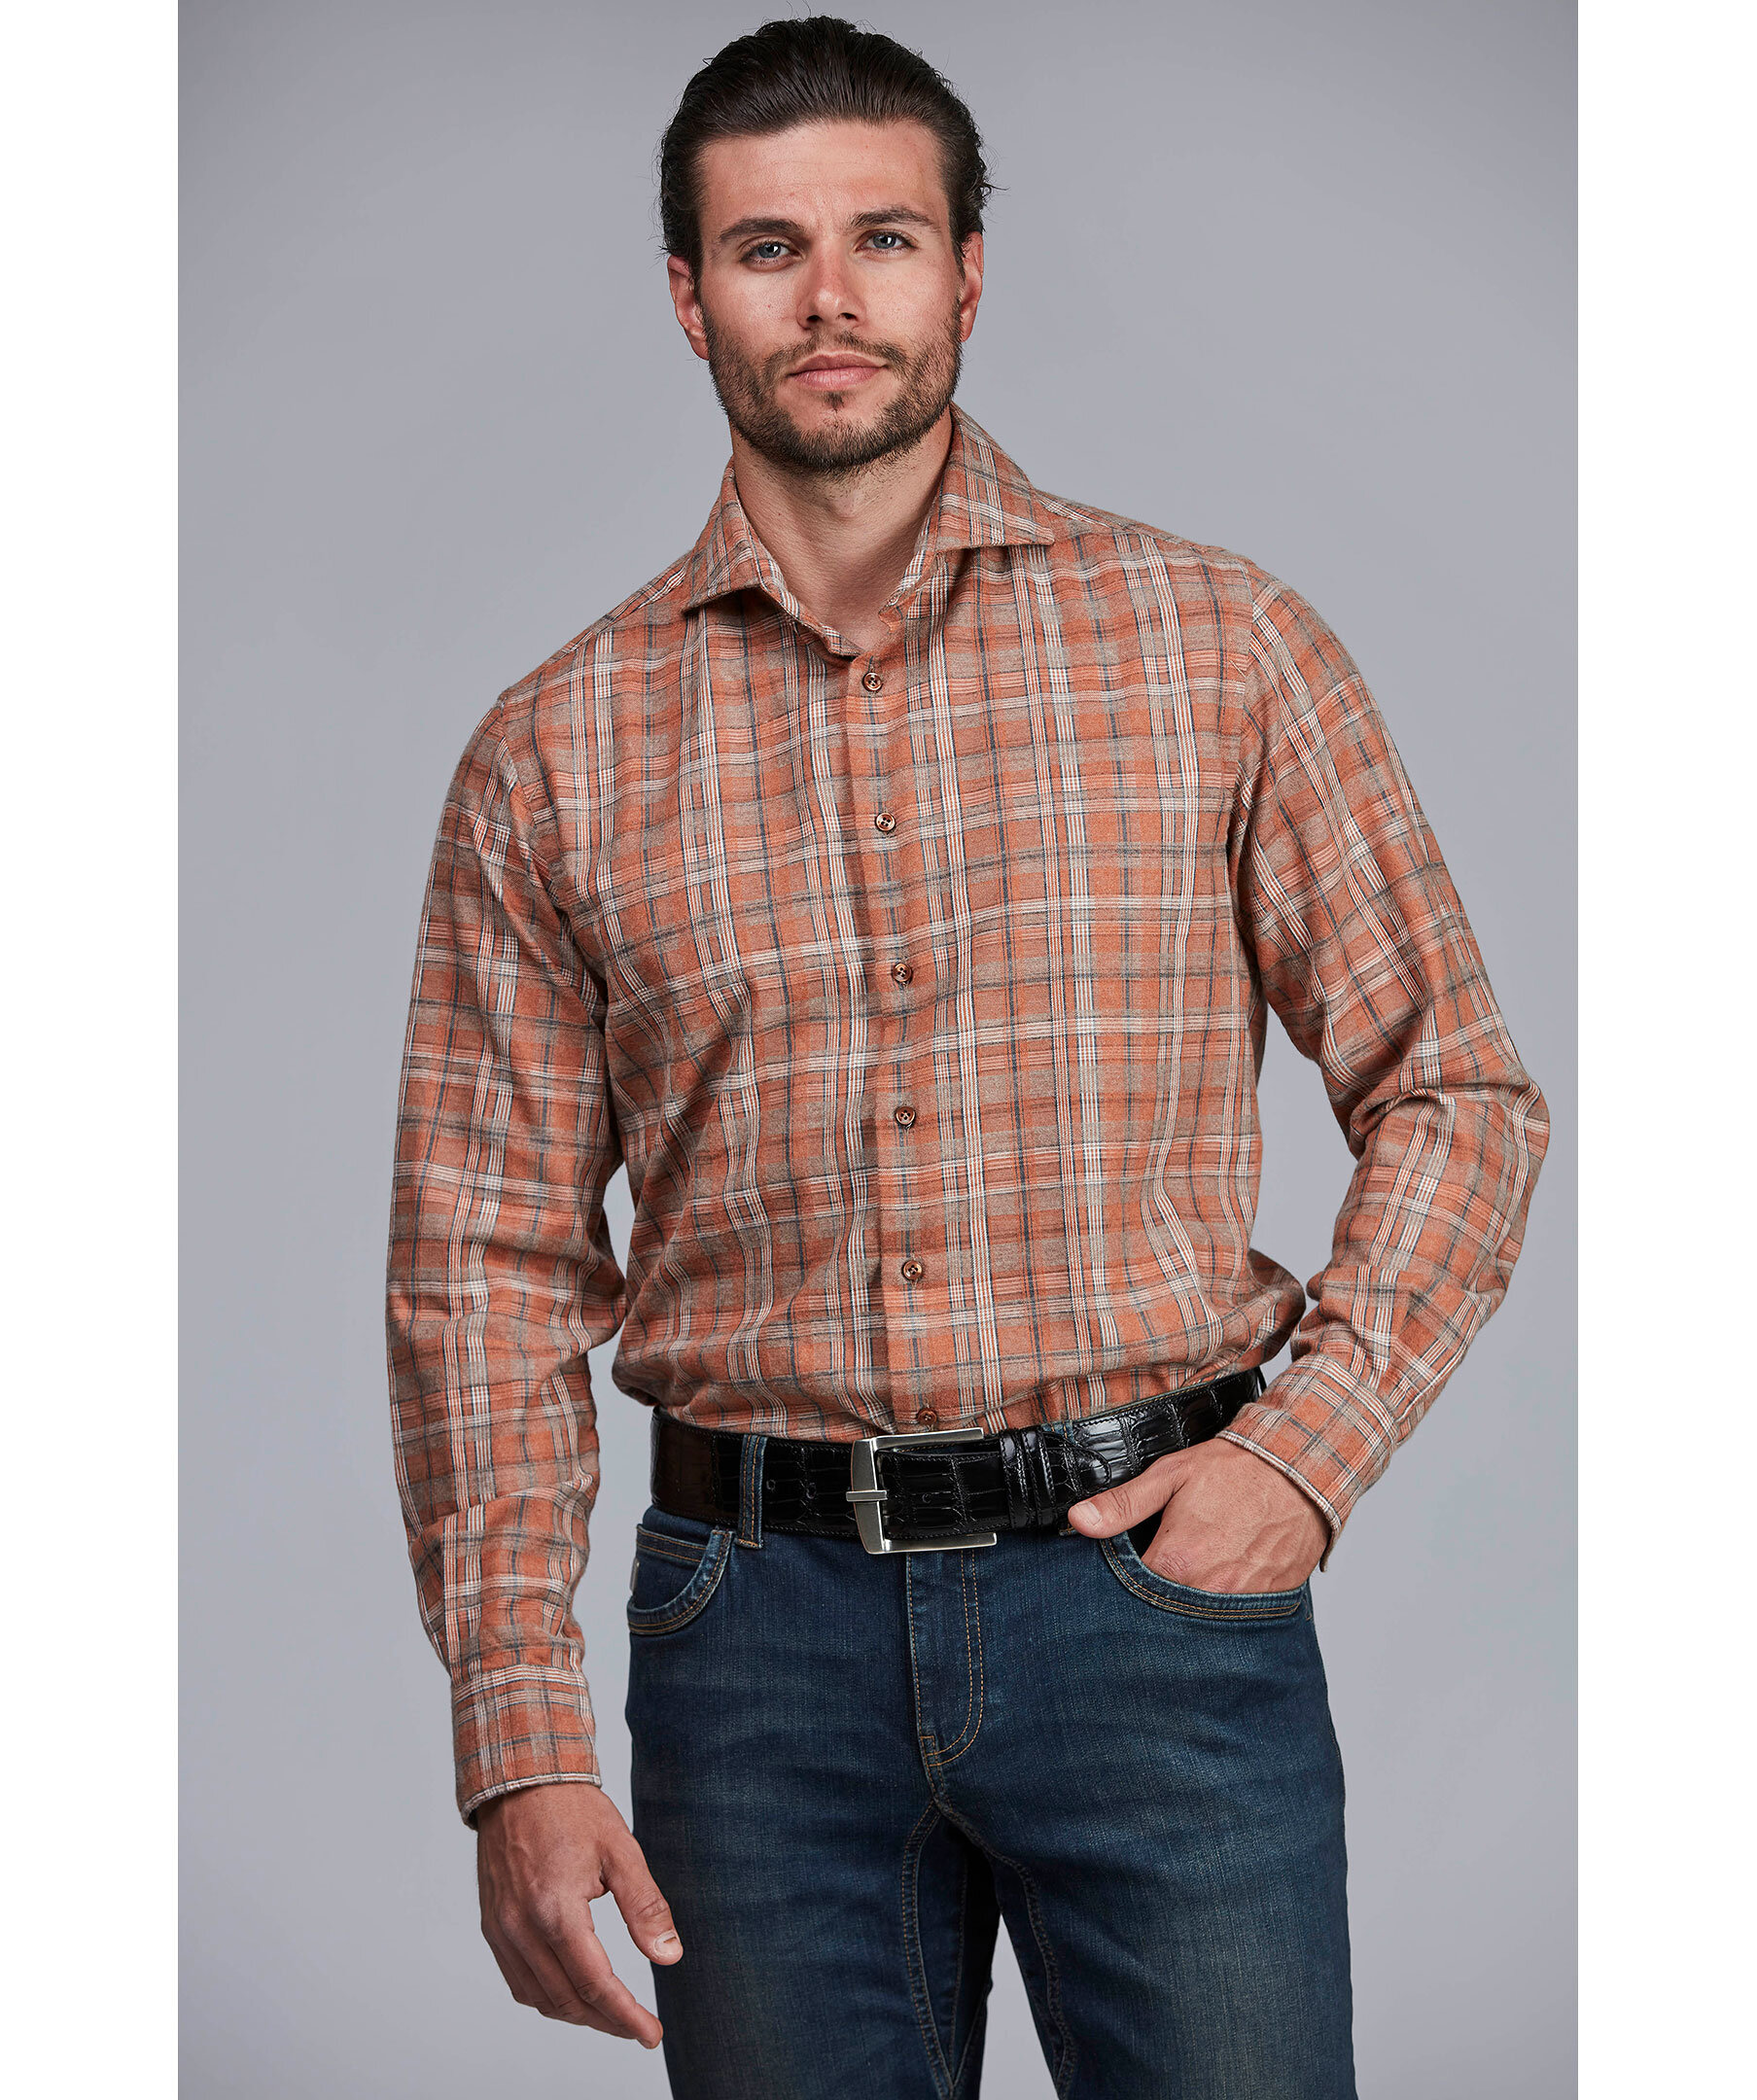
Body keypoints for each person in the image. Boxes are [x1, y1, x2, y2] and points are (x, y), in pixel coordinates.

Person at [384, 18, 1550, 2097]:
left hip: (1148, 1610)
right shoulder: (552, 751)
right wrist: (518, 1738)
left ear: (969, 273)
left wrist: (1303, 1456)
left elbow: (1456, 1089)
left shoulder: (1216, 646)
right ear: (689, 298)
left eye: (885, 238)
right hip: (751, 1649)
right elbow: (481, 1271)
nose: (830, 298)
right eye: (768, 249)